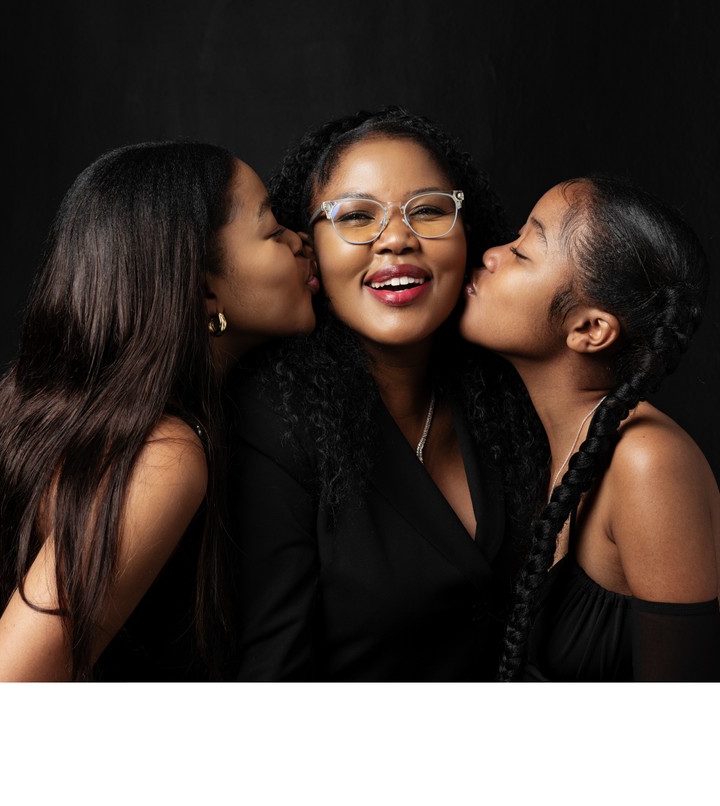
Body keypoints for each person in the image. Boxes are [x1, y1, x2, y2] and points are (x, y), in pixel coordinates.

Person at [0, 140, 319, 682]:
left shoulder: (113, 427)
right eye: (272, 229)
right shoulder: (163, 455)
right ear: (204, 291)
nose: (302, 241)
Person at [228, 106, 544, 681]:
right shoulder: (276, 422)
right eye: (355, 217)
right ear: (309, 249)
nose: (396, 239)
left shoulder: (507, 395)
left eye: (428, 211)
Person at [459, 175, 720, 681]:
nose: (492, 253)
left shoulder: (647, 462)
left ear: (589, 329)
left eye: (522, 252)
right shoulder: (540, 445)